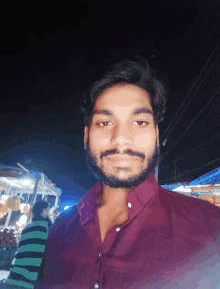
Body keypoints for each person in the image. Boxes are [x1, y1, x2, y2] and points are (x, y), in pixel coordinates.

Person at [35, 57, 220, 289]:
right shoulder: (59, 231)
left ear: (156, 133)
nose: (121, 138)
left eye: (139, 122)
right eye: (104, 123)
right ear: (85, 136)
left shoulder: (212, 229)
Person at [1, 201, 52, 289]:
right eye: (48, 210)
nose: (49, 213)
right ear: (44, 211)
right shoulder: (48, 226)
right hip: (29, 280)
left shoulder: (26, 227)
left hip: (13, 276)